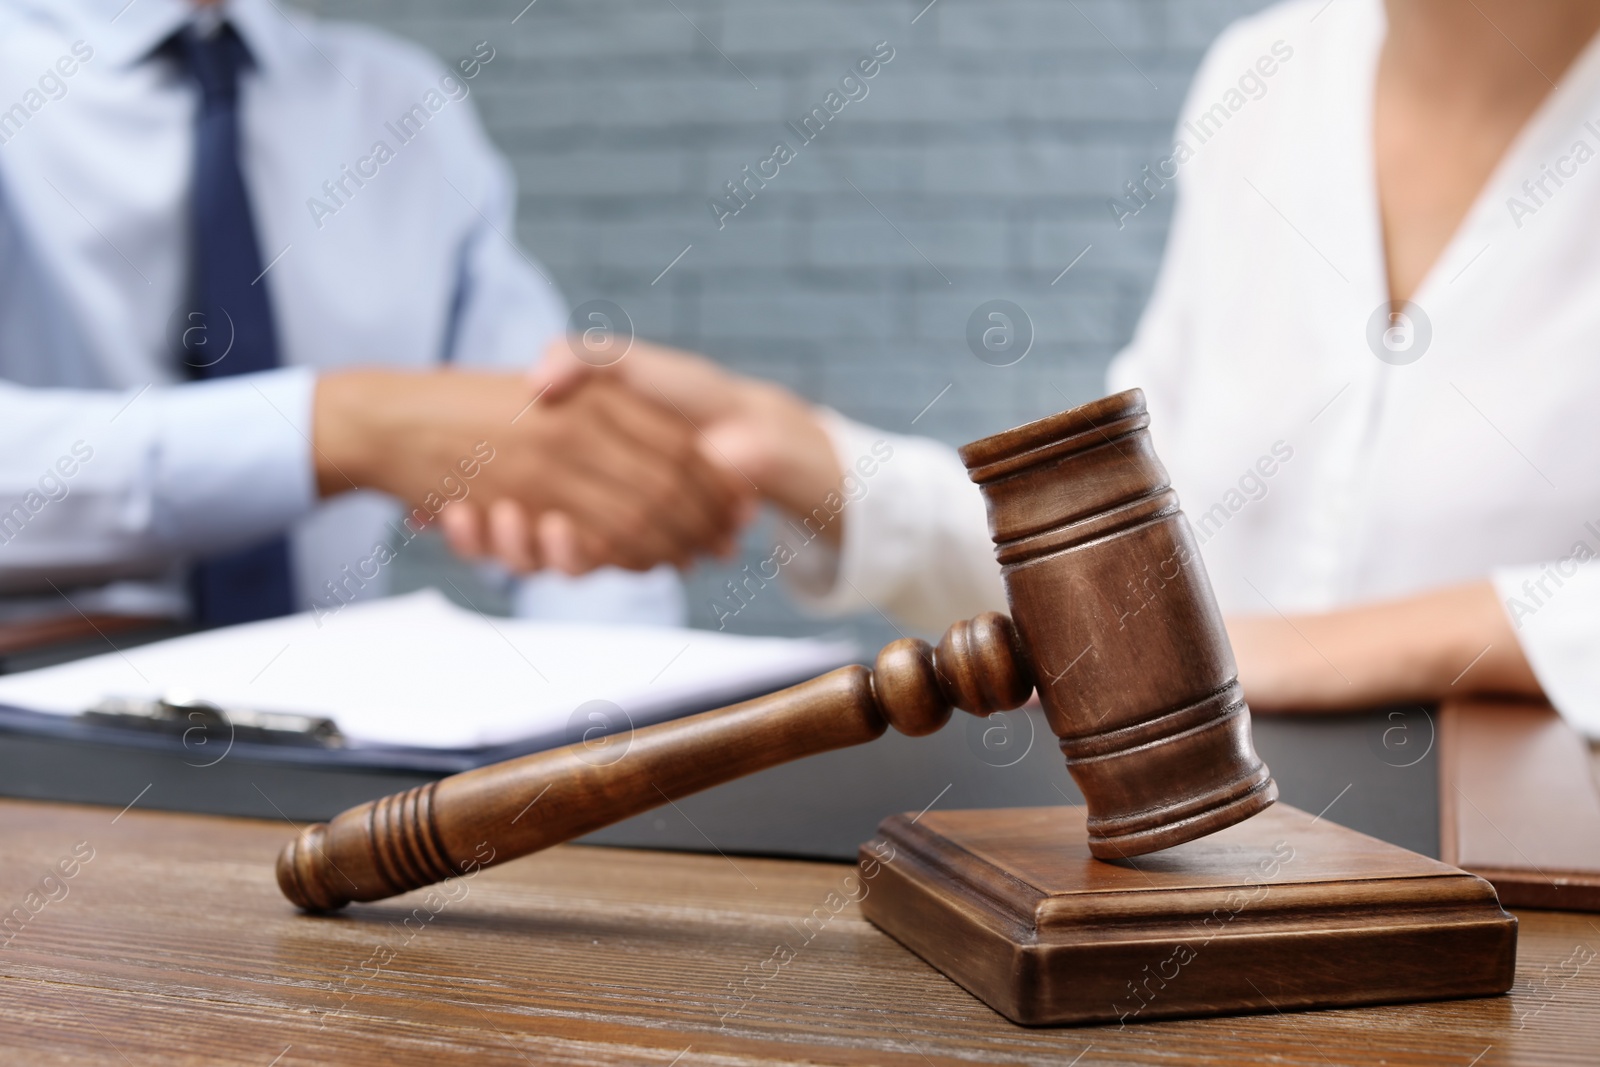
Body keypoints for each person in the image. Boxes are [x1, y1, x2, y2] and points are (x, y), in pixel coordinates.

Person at [508, 0, 1600, 738]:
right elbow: (1137, 565)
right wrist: (810, 456)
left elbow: (1208, 647)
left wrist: (1449, 634)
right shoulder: (1267, 83)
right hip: (1220, 885)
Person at [0, 0, 743, 630]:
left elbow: (548, 450)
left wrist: (615, 728)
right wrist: (338, 427)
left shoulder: (401, 104)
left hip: (339, 757)